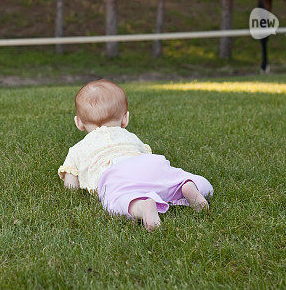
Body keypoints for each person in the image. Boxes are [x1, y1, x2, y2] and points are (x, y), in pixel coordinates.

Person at [58, 79, 213, 230]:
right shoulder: (130, 136)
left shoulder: (77, 149)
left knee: (117, 200)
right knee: (175, 179)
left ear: (78, 122)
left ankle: (142, 206)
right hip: (148, 164)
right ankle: (186, 186)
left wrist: (73, 190)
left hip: (115, 175)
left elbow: (71, 186)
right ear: (125, 119)